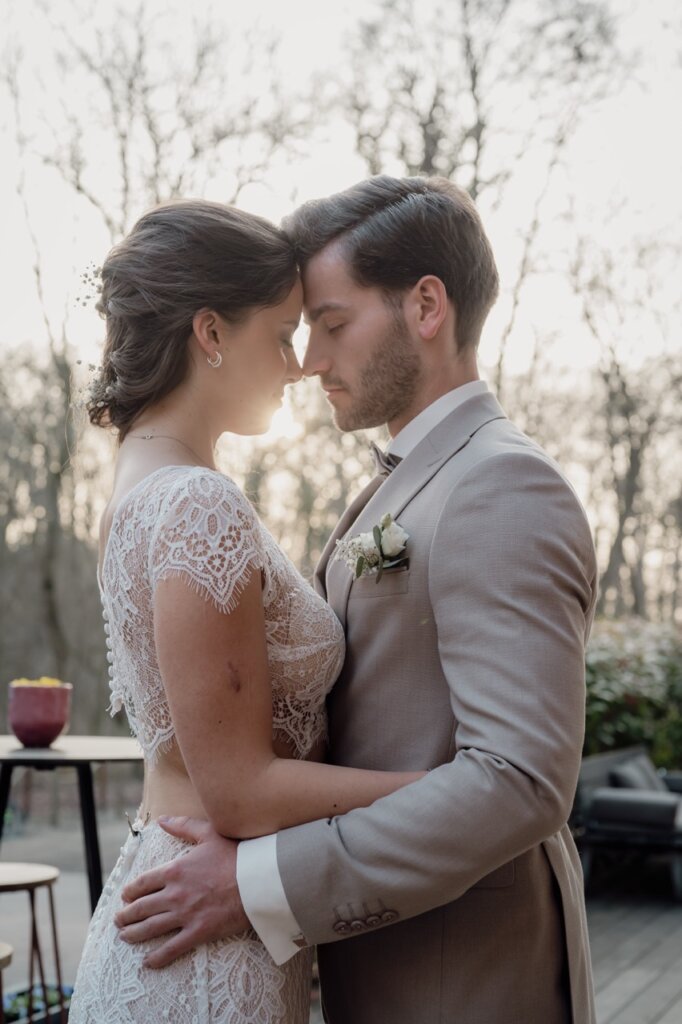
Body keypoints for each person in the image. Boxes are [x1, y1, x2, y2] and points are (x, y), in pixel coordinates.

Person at [114, 176, 599, 1024]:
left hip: (458, 980)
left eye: (332, 324)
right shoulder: (403, 487)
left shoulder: (501, 484)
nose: (308, 361)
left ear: (425, 307)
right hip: (372, 963)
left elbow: (520, 780)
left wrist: (261, 883)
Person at [67, 198, 428, 1024]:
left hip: (185, 906)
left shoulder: (134, 489)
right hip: (200, 952)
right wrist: (435, 789)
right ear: (211, 334)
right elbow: (237, 789)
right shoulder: (197, 504)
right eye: (283, 332)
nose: (300, 363)